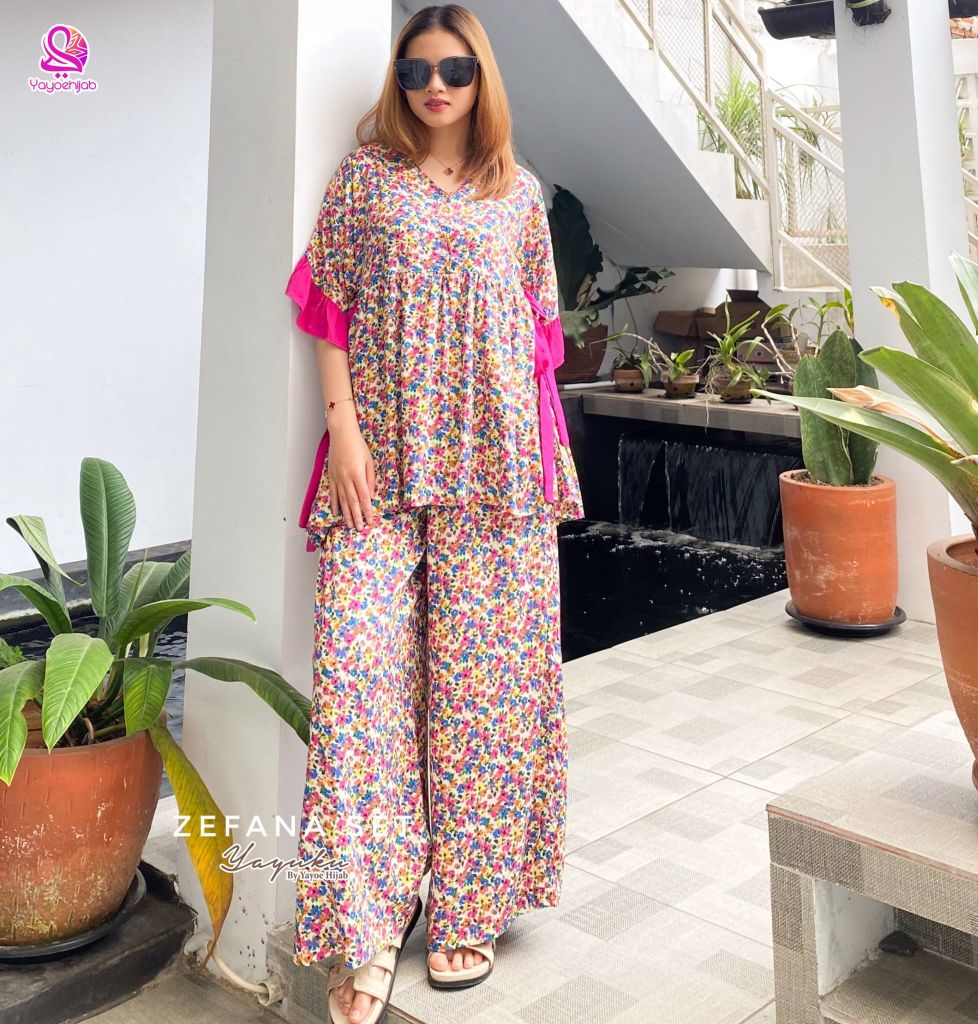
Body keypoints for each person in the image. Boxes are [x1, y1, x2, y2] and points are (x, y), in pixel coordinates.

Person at [285, 6, 585, 1024]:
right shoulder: (366, 180)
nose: (435, 86)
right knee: (358, 687)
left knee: (487, 691)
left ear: (480, 77)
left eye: (454, 68)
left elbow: (539, 344)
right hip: (379, 461)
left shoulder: (520, 197)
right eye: (415, 70)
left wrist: (543, 468)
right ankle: (368, 921)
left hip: (498, 471)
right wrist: (344, 428)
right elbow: (327, 307)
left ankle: (469, 903)